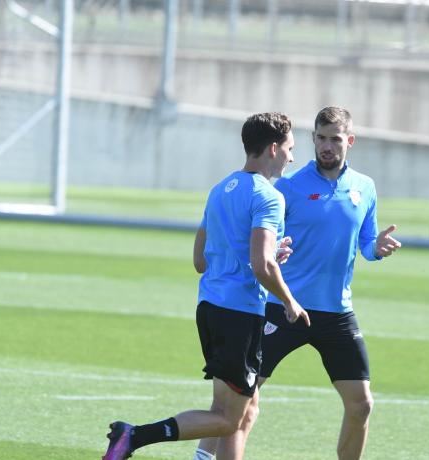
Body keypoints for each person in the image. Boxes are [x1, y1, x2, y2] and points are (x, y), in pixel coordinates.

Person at [195, 106, 401, 460]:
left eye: (335, 139)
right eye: (320, 138)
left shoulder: (364, 188)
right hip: (283, 308)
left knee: (361, 404)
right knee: (241, 402)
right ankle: (203, 456)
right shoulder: (287, 187)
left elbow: (365, 244)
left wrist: (377, 248)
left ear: (349, 141)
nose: (326, 146)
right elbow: (259, 238)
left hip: (336, 312)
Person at [101, 112, 310, 460]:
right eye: (290, 149)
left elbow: (200, 260)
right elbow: (262, 265)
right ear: (273, 148)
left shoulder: (220, 189)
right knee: (231, 420)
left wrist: (260, 257)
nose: (292, 157)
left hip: (210, 306)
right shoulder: (270, 197)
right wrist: (289, 301)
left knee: (228, 408)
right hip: (240, 314)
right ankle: (133, 436)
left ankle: (147, 440)